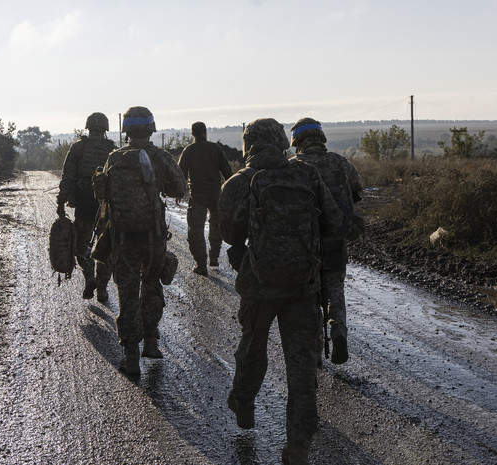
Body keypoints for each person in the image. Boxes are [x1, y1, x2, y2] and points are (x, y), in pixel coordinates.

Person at [218, 118, 342, 464]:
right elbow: (334, 223)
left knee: (252, 348)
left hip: (258, 286)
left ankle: (244, 403)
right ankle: (298, 446)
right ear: (280, 142)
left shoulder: (237, 183)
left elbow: (229, 234)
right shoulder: (306, 175)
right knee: (302, 369)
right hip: (302, 286)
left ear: (248, 145)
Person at [97, 106, 186, 376]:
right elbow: (180, 188)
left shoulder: (113, 158)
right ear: (151, 128)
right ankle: (151, 341)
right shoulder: (160, 156)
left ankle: (131, 357)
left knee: (126, 292)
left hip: (123, 236)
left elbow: (103, 196)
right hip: (154, 236)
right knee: (151, 283)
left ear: (126, 131)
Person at [290, 117, 364, 365]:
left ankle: (316, 347)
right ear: (321, 138)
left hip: (305, 244)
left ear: (297, 141)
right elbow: (357, 190)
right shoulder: (340, 162)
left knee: (310, 294)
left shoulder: (293, 167)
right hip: (335, 238)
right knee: (335, 289)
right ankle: (338, 331)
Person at [56, 112, 116, 303]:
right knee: (105, 247)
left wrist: (61, 201)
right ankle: (102, 289)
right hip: (106, 205)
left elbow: (68, 177)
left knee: (82, 244)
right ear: (105, 128)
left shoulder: (78, 148)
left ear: (88, 127)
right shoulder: (112, 150)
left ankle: (89, 277)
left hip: (83, 203)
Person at [177, 121, 233, 275]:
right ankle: (214, 257)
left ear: (192, 133)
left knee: (195, 229)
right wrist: (232, 193)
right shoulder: (215, 148)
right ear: (205, 132)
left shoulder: (189, 150)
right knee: (216, 225)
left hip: (197, 195)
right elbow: (227, 172)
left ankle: (201, 264)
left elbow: (180, 174)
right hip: (216, 193)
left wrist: (178, 192)